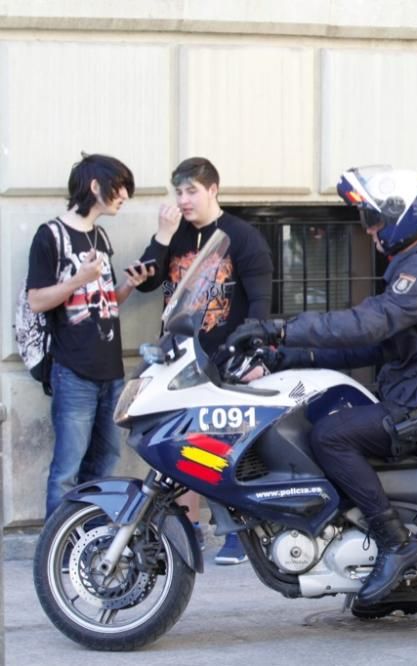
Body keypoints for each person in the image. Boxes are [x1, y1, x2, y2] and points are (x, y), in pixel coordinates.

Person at [226, 166, 417, 605]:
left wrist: (278, 329)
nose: (368, 229)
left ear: (401, 218)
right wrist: (282, 357)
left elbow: (367, 326)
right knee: (329, 415)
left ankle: (396, 544)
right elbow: (373, 347)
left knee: (330, 436)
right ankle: (394, 583)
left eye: (374, 219)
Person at [136, 157, 273, 564]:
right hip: (180, 358)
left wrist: (256, 352)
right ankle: (186, 528)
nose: (183, 199)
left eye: (191, 190)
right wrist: (162, 239)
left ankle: (236, 530)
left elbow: (262, 300)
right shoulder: (175, 234)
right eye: (178, 191)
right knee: (179, 443)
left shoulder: (242, 236)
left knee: (224, 446)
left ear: (213, 189)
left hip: (226, 357)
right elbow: (147, 283)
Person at [27, 154, 152, 518]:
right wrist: (78, 278)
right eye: (120, 186)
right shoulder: (50, 236)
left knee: (105, 461)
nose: (125, 195)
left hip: (110, 371)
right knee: (67, 468)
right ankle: (56, 550)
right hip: (74, 370)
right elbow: (37, 301)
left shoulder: (100, 235)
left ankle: (87, 539)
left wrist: (128, 285)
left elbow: (104, 303)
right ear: (95, 186)